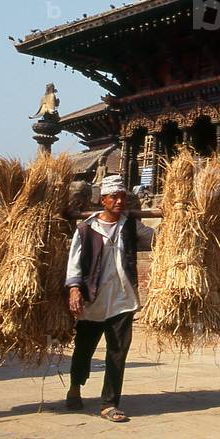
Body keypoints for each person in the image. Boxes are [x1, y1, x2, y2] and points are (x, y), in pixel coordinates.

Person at [65, 175, 155, 423]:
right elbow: (74, 263)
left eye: (122, 196)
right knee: (84, 349)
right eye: (113, 197)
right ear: (102, 199)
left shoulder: (131, 226)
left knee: (118, 352)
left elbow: (156, 240)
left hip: (123, 299)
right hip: (93, 299)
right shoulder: (86, 229)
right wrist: (74, 289)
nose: (118, 201)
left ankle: (109, 403)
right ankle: (75, 387)